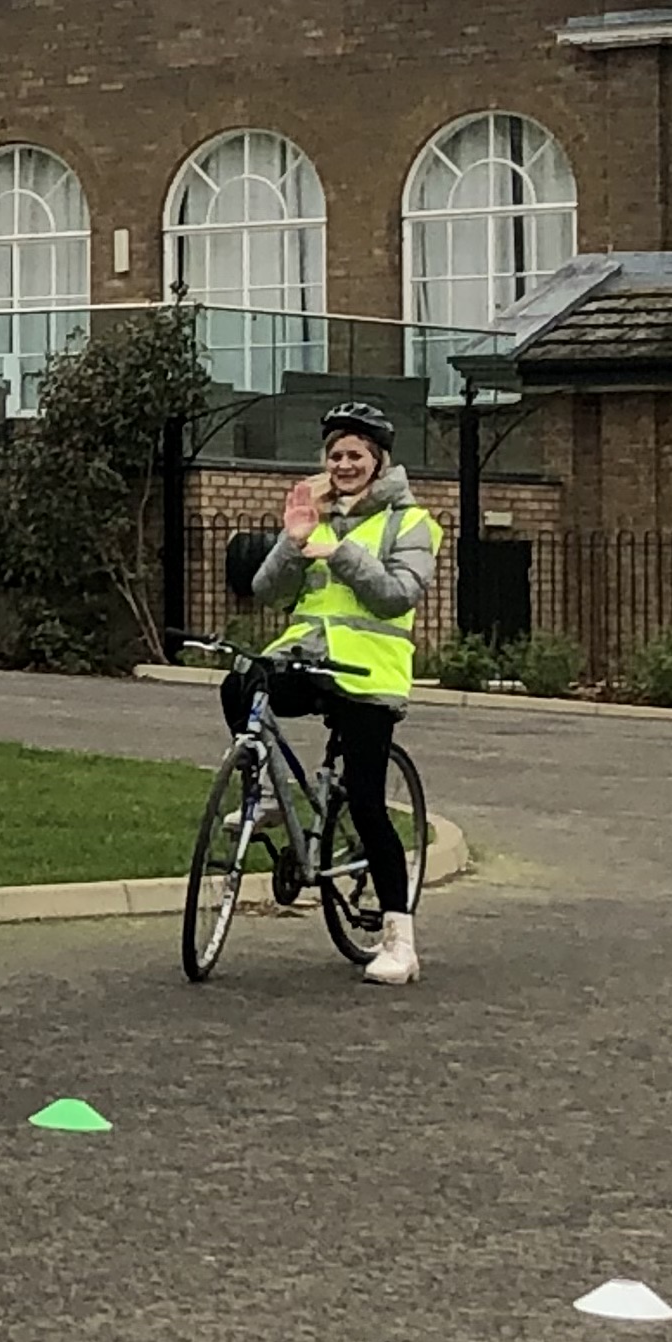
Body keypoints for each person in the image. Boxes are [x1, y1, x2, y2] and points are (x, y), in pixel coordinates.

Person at [230, 399, 438, 988]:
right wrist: (294, 540)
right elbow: (268, 591)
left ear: (378, 462)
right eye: (335, 455)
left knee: (368, 802)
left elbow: (398, 595)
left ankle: (400, 941)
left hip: (369, 676)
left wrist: (339, 553)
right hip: (308, 659)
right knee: (241, 682)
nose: (343, 464)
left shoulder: (410, 522)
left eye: (355, 455)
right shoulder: (314, 514)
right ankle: (264, 794)